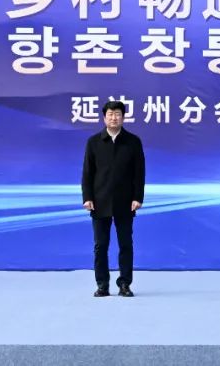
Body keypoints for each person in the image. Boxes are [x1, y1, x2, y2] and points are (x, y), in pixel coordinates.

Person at [82, 101, 145, 297]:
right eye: (110, 114)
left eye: (117, 114)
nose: (114, 118)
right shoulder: (94, 142)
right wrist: (87, 197)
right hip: (99, 201)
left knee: (125, 244)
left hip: (125, 202)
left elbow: (139, 172)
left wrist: (137, 197)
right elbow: (87, 173)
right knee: (100, 246)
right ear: (104, 117)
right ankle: (102, 285)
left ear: (123, 117)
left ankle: (124, 284)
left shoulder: (133, 141)